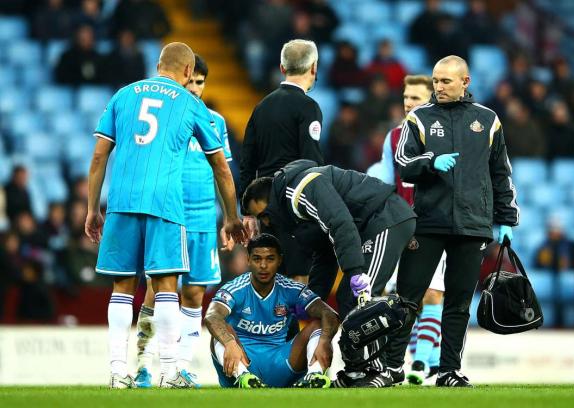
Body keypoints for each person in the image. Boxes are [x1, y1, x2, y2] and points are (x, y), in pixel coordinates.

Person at [85, 42, 245, 389]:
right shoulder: (190, 103)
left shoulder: (123, 95)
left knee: (122, 288)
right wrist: (232, 216)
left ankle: (117, 373)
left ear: (158, 64)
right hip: (166, 204)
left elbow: (99, 157)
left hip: (122, 200)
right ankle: (170, 372)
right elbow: (220, 165)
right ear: (189, 72)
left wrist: (91, 208)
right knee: (167, 288)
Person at [393, 55, 519, 387]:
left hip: (473, 223)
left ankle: (448, 370)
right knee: (408, 296)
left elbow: (500, 173)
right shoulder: (418, 118)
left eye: (446, 81)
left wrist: (506, 219)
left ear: (465, 82)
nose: (439, 87)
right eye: (435, 81)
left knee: (460, 302)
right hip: (429, 222)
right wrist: (431, 162)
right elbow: (404, 163)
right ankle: (392, 368)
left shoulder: (488, 120)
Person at [242, 159, 417, 387]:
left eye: (264, 214)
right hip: (371, 227)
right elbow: (325, 255)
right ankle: (358, 370)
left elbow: (340, 223)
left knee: (359, 299)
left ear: (272, 199)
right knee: (347, 296)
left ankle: (376, 370)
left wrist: (354, 271)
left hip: (385, 218)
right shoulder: (295, 214)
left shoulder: (303, 188)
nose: (265, 221)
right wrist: (310, 301)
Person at [133, 54, 234, 388]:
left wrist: (227, 219)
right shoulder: (166, 119)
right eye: (190, 81)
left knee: (194, 294)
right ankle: (144, 364)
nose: (194, 89)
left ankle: (182, 367)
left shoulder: (215, 122)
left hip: (204, 219)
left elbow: (222, 173)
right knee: (156, 291)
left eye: (200, 83)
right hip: (169, 217)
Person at [370, 74, 445, 385]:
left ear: (430, 99)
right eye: (406, 97)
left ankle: (421, 363)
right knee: (400, 298)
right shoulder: (394, 137)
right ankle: (412, 359)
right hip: (402, 227)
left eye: (415, 97)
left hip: (436, 223)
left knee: (432, 294)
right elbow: (386, 183)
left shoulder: (443, 134)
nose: (409, 103)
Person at [204, 233, 340, 388]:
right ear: (248, 260)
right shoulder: (234, 288)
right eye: (257, 259)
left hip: (281, 365)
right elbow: (212, 316)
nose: (263, 265)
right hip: (242, 361)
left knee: (319, 325)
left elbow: (329, 314)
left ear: (279, 260)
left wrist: (324, 341)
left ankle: (314, 377)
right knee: (221, 332)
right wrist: (229, 343)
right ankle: (244, 379)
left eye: (270, 259)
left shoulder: (291, 289)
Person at [240, 39, 325, 284]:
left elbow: (247, 161)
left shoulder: (261, 106)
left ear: (282, 67)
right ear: (313, 67)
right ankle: (294, 323)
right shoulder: (308, 107)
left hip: (265, 206)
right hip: (294, 203)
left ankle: (271, 322)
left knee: (270, 274)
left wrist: (247, 211)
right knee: (299, 274)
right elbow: (310, 162)